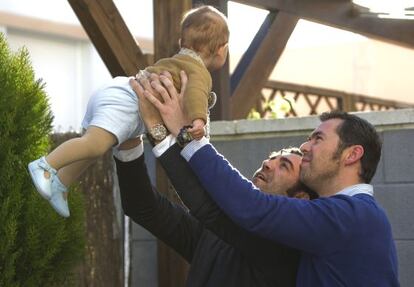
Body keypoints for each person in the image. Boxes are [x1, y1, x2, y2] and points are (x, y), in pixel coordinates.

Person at [136, 74, 400, 286]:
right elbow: (213, 211)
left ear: (352, 155)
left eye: (318, 139)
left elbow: (252, 207)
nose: (306, 147)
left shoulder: (355, 216)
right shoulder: (340, 217)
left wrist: (189, 135)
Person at [27, 5, 229, 217]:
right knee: (94, 145)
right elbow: (195, 93)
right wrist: (198, 120)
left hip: (124, 98)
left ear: (181, 43)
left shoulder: (177, 62)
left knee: (96, 149)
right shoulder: (199, 72)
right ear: (221, 49)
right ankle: (45, 165)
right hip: (127, 102)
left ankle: (61, 182)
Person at [114, 140, 317, 287]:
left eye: (284, 166)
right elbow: (143, 207)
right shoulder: (214, 234)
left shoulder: (285, 250)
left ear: (300, 199)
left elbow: (207, 206)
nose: (268, 163)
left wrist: (161, 135)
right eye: (274, 157)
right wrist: (129, 144)